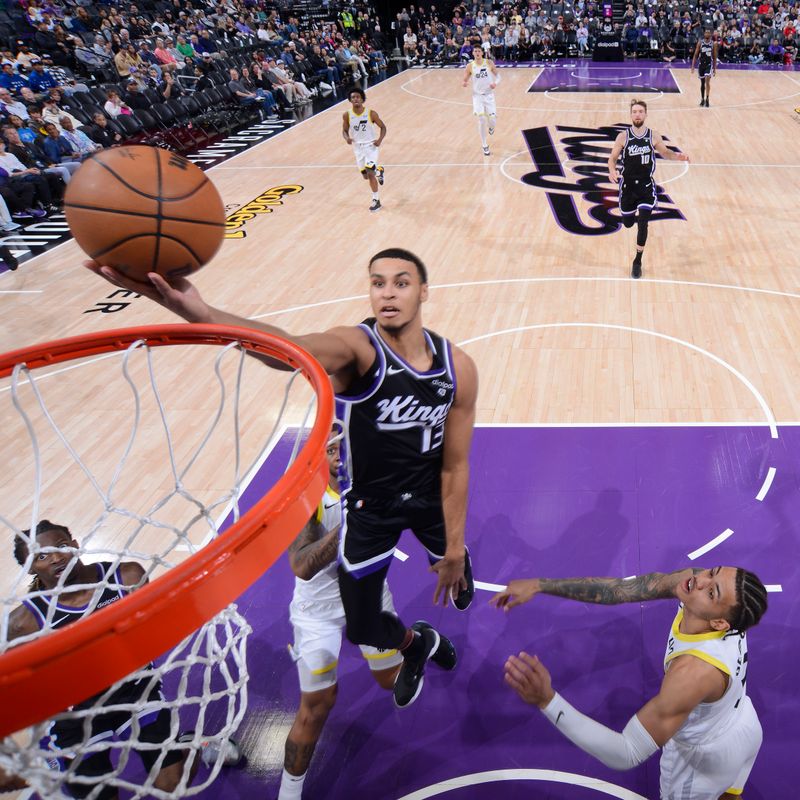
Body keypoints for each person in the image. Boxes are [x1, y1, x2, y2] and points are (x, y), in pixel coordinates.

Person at [85, 247, 477, 711]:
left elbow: (454, 465)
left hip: (430, 499)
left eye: (401, 282)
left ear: (424, 291)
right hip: (371, 508)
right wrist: (200, 314)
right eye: (377, 282)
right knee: (363, 629)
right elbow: (289, 349)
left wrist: (454, 548)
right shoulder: (356, 349)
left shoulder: (457, 368)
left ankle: (452, 564)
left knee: (464, 592)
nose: (388, 293)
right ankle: (418, 643)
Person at [493, 566, 768, 800]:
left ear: (720, 622)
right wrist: (540, 585)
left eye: (712, 592)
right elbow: (620, 590)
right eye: (713, 572)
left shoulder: (692, 674)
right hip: (744, 722)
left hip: (704, 760)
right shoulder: (700, 591)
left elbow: (626, 752)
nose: (701, 580)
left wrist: (548, 700)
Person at [280, 429, 433, 799]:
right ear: (320, 457)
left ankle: (419, 640)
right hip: (318, 611)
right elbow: (301, 566)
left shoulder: (378, 483)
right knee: (317, 706)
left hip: (367, 594)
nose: (338, 455)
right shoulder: (306, 498)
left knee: (389, 682)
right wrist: (351, 524)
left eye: (343, 447)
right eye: (330, 450)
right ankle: (288, 793)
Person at [3, 521, 206, 798]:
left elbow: (155, 629)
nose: (56, 557)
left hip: (134, 690)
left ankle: (189, 745)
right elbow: (11, 687)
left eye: (60, 546)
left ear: (75, 544)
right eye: (41, 555)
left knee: (172, 786)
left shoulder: (125, 576)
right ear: (30, 568)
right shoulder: (24, 623)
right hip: (75, 714)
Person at [607, 99, 690, 279]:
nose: (637, 114)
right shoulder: (623, 137)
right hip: (628, 187)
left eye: (640, 112)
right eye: (634, 111)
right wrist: (611, 170)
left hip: (646, 186)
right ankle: (632, 217)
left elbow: (665, 153)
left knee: (643, 223)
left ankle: (637, 261)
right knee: (628, 223)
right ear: (631, 115)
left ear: (645, 114)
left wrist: (678, 156)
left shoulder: (653, 136)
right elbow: (612, 158)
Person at [342, 87, 386, 212]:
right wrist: (347, 138)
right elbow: (344, 130)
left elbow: (383, 127)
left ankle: (376, 200)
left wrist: (379, 140)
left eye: (357, 97)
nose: (355, 99)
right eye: (353, 97)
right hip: (357, 148)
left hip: (370, 147)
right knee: (366, 176)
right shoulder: (347, 115)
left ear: (362, 99)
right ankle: (379, 171)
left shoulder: (371, 113)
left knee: (370, 173)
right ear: (350, 100)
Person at [462, 45, 498, 156]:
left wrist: (495, 83)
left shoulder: (489, 63)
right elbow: (465, 79)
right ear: (473, 53)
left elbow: (498, 76)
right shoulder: (470, 66)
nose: (477, 53)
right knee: (482, 119)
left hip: (489, 96)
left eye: (479, 51)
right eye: (475, 51)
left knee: (492, 121)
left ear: (482, 52)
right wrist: (465, 82)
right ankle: (484, 145)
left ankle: (491, 128)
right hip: (477, 97)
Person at [691, 30, 717, 107]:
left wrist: (715, 69)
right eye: (706, 32)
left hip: (709, 64)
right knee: (702, 83)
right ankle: (702, 99)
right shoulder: (700, 43)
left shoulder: (713, 44)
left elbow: (715, 57)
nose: (707, 34)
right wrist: (692, 66)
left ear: (711, 34)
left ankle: (707, 98)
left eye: (709, 33)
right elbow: (695, 55)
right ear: (704, 34)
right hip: (701, 65)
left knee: (707, 80)